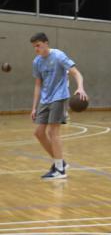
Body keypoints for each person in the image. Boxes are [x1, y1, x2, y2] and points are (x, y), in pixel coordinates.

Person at [31, 32, 88, 180]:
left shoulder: (58, 56)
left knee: (53, 132)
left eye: (38, 45)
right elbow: (38, 85)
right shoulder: (37, 62)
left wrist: (80, 87)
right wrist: (34, 107)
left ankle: (60, 170)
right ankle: (60, 162)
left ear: (46, 43)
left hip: (59, 96)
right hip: (45, 99)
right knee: (38, 133)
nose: (36, 49)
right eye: (34, 46)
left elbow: (76, 73)